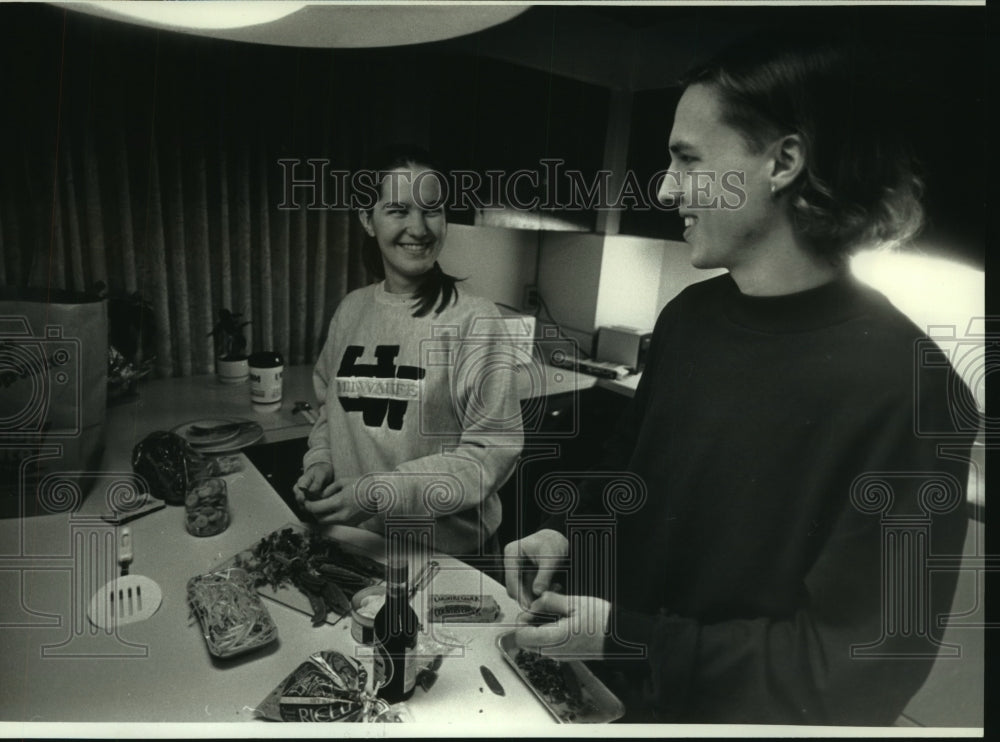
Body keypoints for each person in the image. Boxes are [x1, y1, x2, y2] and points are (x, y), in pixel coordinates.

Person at [503, 33, 978, 725]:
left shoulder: (913, 392)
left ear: (783, 161)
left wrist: (623, 637)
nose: (665, 188)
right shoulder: (691, 316)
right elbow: (627, 469)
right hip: (609, 705)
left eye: (688, 159)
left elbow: (854, 677)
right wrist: (567, 533)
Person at [295, 146, 523, 557]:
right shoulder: (351, 310)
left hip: (447, 557)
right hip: (357, 545)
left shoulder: (475, 321)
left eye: (431, 210)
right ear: (368, 219)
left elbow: (488, 456)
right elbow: (329, 416)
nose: (418, 228)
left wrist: (381, 492)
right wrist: (321, 463)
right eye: (398, 210)